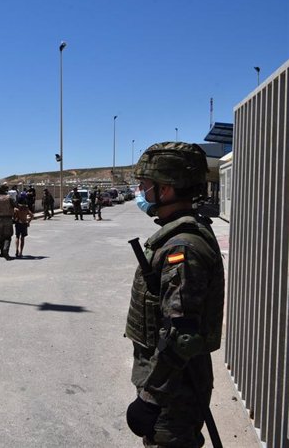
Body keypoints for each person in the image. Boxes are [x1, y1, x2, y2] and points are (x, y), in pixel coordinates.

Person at [124, 142, 224, 447]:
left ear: (165, 190)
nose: (141, 191)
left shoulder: (181, 246)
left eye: (145, 185)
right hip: (173, 384)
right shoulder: (181, 235)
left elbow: (181, 336)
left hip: (174, 392)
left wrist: (151, 399)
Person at [0, 184, 14, 259]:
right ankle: (5, 250)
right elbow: (15, 205)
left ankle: (1, 252)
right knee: (8, 236)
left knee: (0, 236)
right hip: (8, 218)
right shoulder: (9, 198)